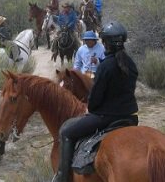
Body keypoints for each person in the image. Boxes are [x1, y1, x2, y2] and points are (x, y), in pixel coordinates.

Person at [52, 21, 138, 182]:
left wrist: (90, 108)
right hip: (130, 116)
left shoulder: (105, 66)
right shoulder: (130, 64)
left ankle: (63, 176)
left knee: (66, 132)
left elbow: (96, 98)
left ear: (105, 43)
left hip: (106, 117)